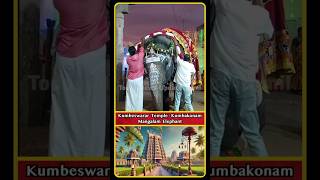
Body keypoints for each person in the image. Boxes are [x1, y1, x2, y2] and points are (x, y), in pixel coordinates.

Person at [210, 0, 273, 156]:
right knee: (252, 133)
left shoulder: (225, 4)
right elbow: (268, 35)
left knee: (215, 132)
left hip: (220, 74)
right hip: (246, 78)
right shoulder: (261, 15)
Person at [48, 0, 109, 156]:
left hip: (65, 57)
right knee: (92, 114)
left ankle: (61, 163)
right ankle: (89, 163)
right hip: (93, 57)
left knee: (63, 114)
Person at [173, 43, 196, 111]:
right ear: (189, 60)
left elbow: (178, 53)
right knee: (188, 102)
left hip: (179, 84)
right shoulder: (191, 66)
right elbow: (193, 75)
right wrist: (191, 85)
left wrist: (176, 45)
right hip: (186, 85)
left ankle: (176, 114)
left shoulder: (180, 62)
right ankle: (193, 115)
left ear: (184, 59)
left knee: (177, 101)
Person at [125, 41, 145, 111]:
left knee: (130, 96)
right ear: (135, 50)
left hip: (130, 80)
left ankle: (129, 111)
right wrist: (141, 42)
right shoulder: (140, 56)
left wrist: (130, 47)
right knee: (138, 96)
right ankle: (138, 111)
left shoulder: (128, 59)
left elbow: (133, 53)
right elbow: (142, 48)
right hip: (138, 79)